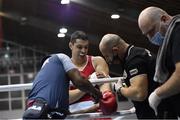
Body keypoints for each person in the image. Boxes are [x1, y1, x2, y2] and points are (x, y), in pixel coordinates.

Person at [22, 53, 102, 119]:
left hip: (34, 111)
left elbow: (68, 115)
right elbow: (79, 81)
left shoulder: (43, 86)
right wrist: (96, 92)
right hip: (41, 110)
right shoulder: (60, 57)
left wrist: (94, 108)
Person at [99, 34, 160, 119]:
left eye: (107, 56)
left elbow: (139, 94)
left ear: (115, 50)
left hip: (156, 114)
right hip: (154, 110)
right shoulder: (134, 54)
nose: (107, 60)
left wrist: (120, 89)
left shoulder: (134, 60)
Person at [138, 6, 180, 118]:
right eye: (146, 34)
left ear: (164, 19)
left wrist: (158, 94)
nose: (150, 37)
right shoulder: (168, 41)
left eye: (151, 31)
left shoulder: (178, 31)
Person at [69, 31, 117, 114]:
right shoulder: (64, 67)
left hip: (97, 110)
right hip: (74, 113)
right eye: (79, 47)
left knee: (103, 80)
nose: (83, 51)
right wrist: (88, 83)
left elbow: (104, 87)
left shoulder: (97, 61)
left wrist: (86, 84)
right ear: (71, 46)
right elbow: (66, 98)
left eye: (86, 47)